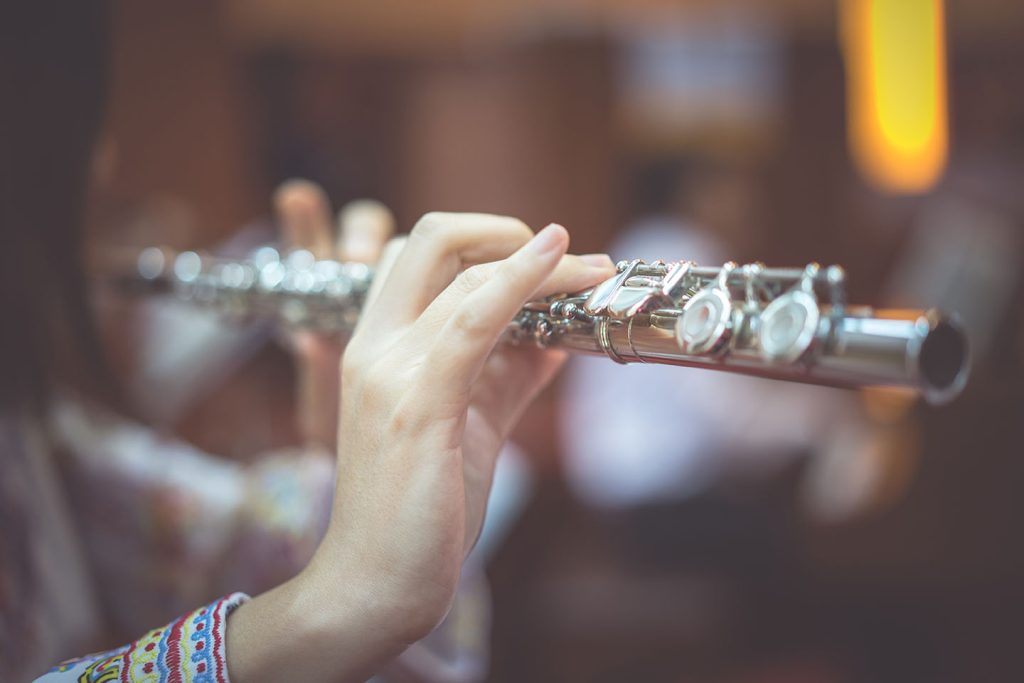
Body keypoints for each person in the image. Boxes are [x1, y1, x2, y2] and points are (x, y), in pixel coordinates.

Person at [0, 3, 616, 681]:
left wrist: (354, 464)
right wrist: (335, 602)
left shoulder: (36, 433)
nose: (103, 162)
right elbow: (335, 599)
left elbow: (226, 537)